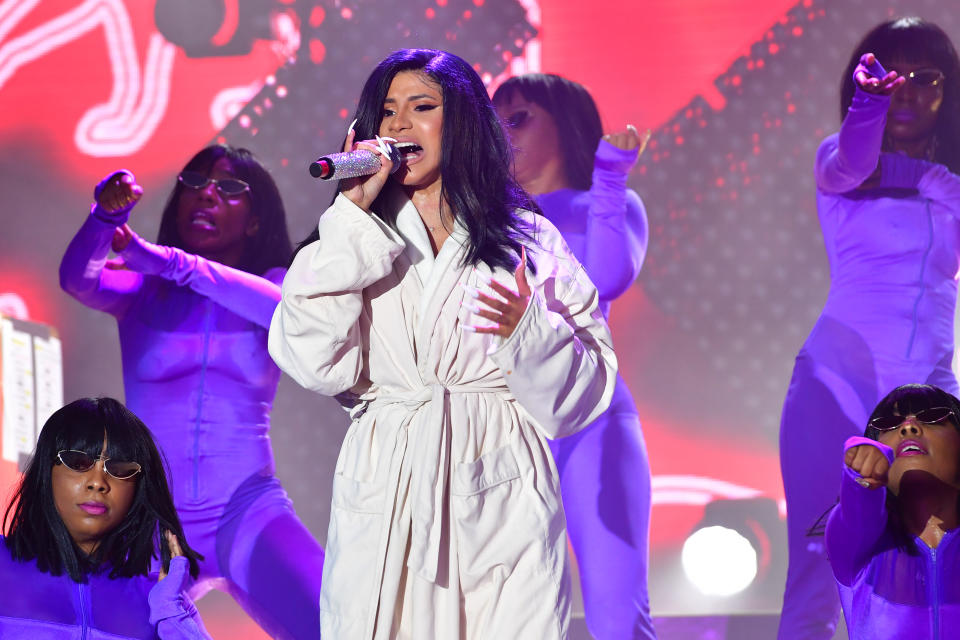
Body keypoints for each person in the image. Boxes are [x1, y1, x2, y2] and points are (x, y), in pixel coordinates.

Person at [268, 48, 617, 639]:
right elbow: (311, 363)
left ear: (461, 123)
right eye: (386, 113)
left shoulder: (526, 238)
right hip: (390, 478)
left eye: (421, 107)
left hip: (501, 482)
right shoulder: (348, 237)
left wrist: (529, 330)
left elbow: (581, 396)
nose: (399, 125)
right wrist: (351, 220)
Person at [59, 145, 324, 639]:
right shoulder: (141, 289)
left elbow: (285, 315)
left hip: (247, 512)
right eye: (194, 184)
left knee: (343, 626)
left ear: (253, 221)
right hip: (149, 521)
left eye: (227, 189)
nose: (205, 196)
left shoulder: (275, 285)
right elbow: (77, 279)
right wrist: (103, 219)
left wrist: (171, 262)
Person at [778, 17, 960, 640]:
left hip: (931, 394)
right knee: (817, 570)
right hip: (836, 382)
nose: (906, 89)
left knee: (936, 558)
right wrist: (869, 103)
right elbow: (856, 157)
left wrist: (937, 178)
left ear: (947, 93)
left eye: (925, 78)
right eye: (893, 76)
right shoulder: (838, 163)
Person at [492, 73, 655, 640]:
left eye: (519, 118)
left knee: (616, 615)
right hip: (504, 430)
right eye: (496, 122)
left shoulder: (607, 202)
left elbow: (606, 277)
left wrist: (610, 177)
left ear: (567, 125)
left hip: (592, 420)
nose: (503, 133)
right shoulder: (483, 227)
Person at [0, 396, 209, 638]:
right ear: (47, 473)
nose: (98, 482)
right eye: (78, 462)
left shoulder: (163, 602)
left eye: (119, 470)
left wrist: (171, 613)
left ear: (139, 488)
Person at [826, 383, 960, 639]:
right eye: (888, 423)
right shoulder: (859, 547)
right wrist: (860, 481)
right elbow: (857, 516)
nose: (908, 427)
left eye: (933, 417)